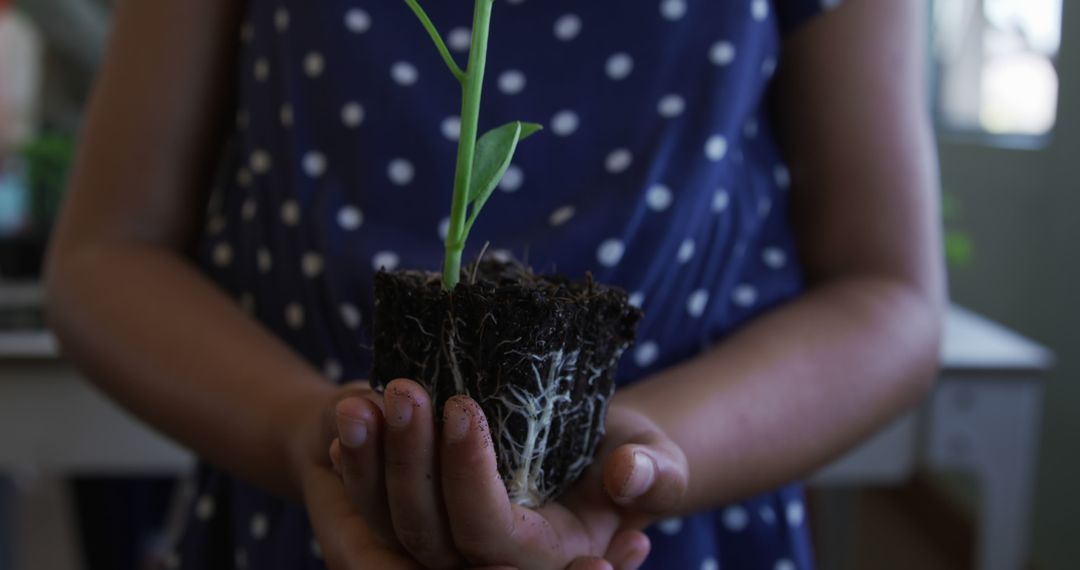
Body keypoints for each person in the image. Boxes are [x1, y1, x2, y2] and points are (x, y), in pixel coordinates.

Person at [44, 0, 945, 568]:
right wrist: (299, 433)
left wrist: (646, 453)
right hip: (307, 518)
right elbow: (107, 253)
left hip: (668, 529)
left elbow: (886, 292)